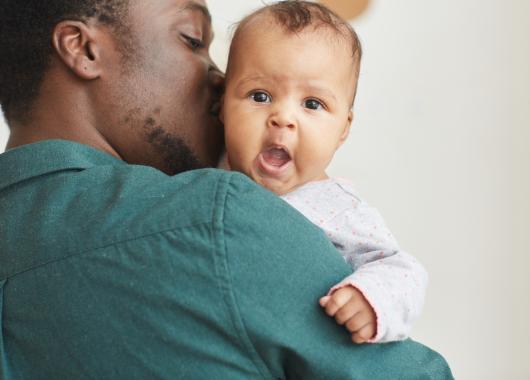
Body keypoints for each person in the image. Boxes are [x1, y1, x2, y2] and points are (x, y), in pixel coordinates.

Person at [0, 0, 453, 378]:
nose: (220, 82)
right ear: (83, 49)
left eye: (313, 103)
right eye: (193, 40)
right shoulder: (218, 218)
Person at [221, 1, 427, 344]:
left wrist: (369, 298)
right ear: (223, 104)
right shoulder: (210, 171)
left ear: (342, 129)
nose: (283, 117)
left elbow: (404, 272)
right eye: (260, 96)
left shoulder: (339, 209)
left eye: (312, 104)